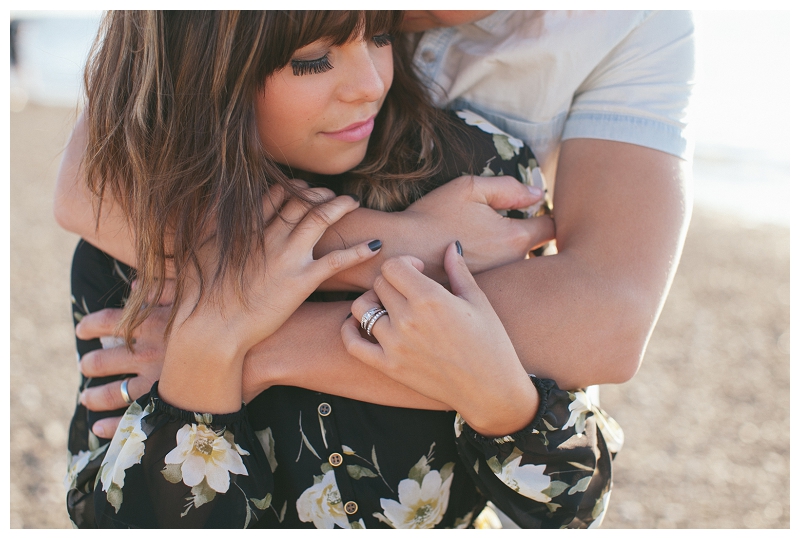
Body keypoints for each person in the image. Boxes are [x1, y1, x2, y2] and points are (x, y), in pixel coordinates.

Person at [58, 10, 619, 528]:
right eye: (312, 59)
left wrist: (501, 402)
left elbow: (571, 507)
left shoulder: (472, 176)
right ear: (204, 67)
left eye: (379, 34)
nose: (371, 84)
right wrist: (206, 354)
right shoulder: (130, 251)